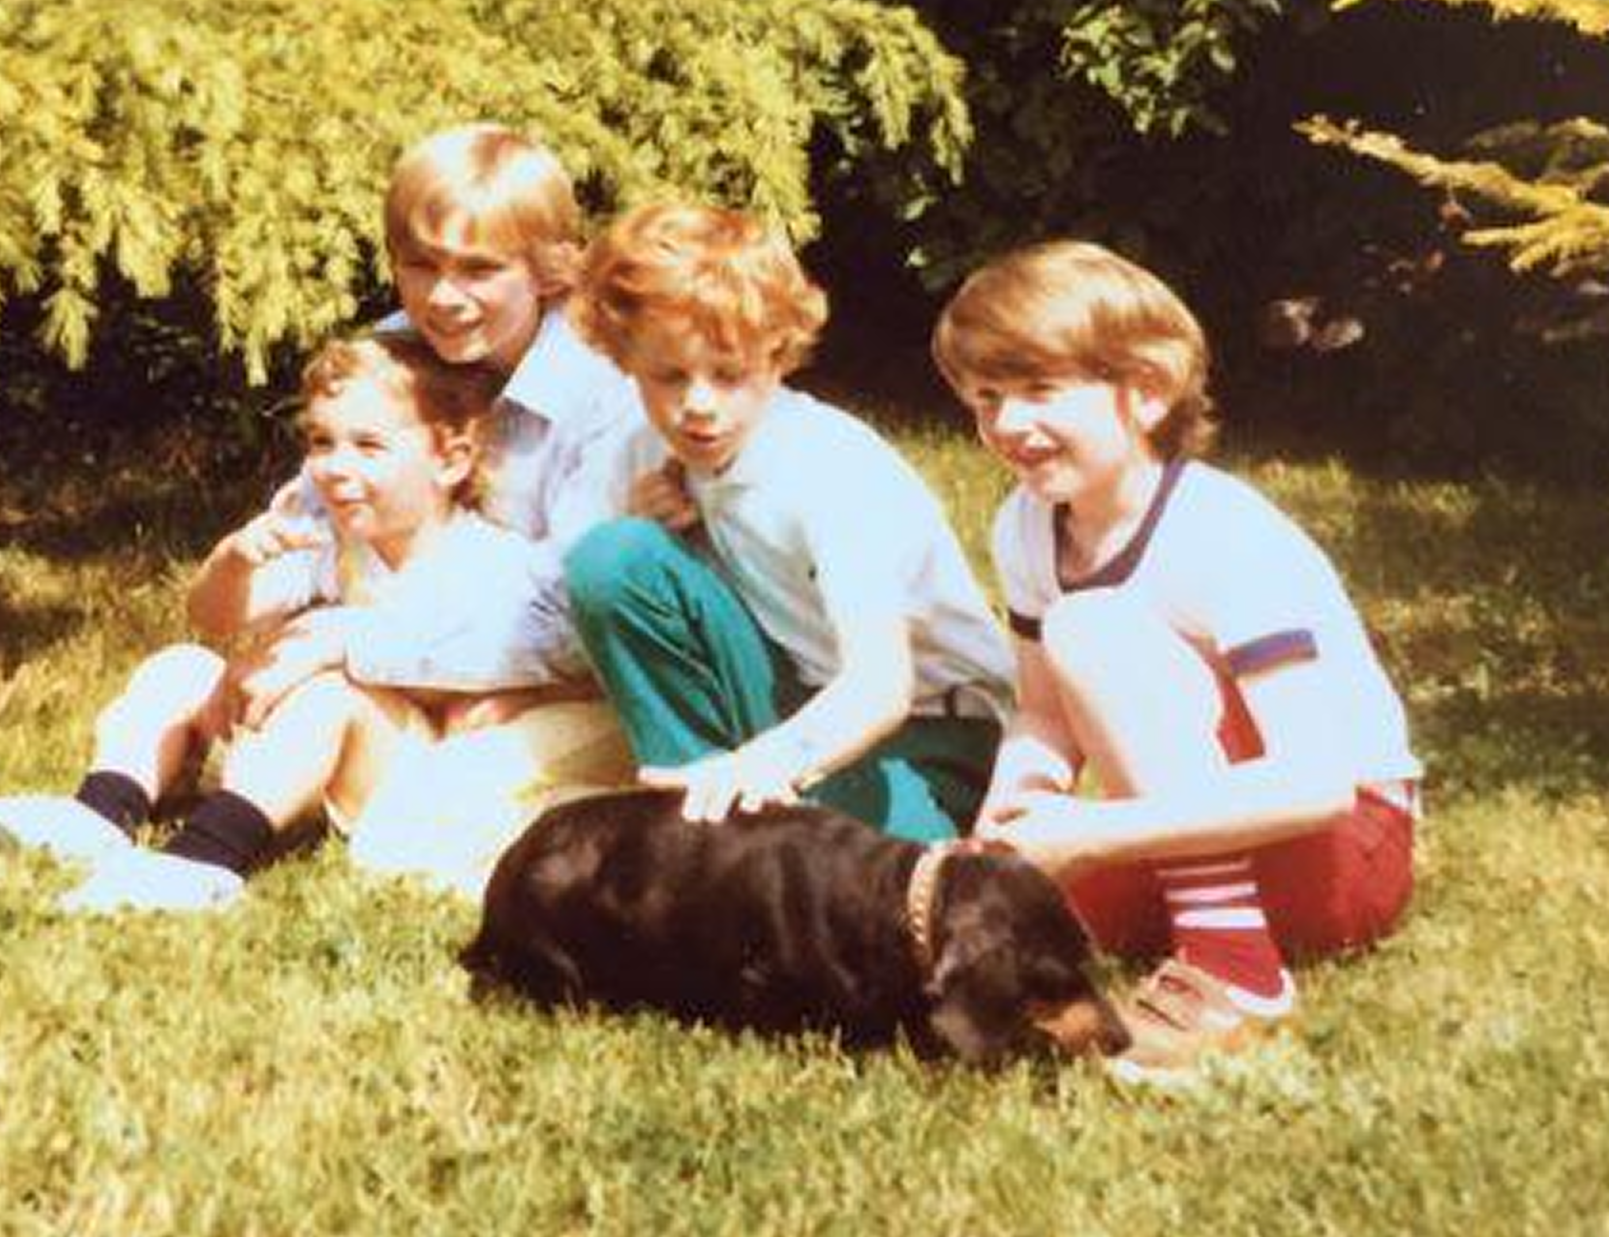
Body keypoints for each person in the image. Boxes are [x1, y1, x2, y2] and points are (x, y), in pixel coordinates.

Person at [932, 239, 1422, 1082]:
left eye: (1040, 390)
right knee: (994, 924)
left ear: (1147, 392)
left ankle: (1236, 973)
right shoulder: (1023, 523)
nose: (1008, 424)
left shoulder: (1222, 534)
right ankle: (1200, 917)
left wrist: (1096, 831)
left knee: (1090, 627)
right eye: (986, 398)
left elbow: (1316, 782)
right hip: (1194, 834)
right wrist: (1016, 816)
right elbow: (1045, 716)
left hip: (1342, 848)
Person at [0, 334, 611, 910]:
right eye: (321, 442)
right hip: (296, 741)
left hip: (401, 768)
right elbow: (211, 618)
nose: (335, 468)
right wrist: (233, 563)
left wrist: (332, 655)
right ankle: (100, 811)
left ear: (451, 459)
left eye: (369, 446)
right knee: (178, 668)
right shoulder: (336, 545)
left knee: (332, 691)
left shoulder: (487, 560)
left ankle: (205, 858)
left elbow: (528, 670)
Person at [562, 202, 1016, 842]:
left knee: (849, 873)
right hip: (790, 699)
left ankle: (741, 827)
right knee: (614, 557)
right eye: (668, 376)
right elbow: (591, 603)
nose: (697, 404)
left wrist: (768, 761)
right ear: (624, 358)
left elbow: (882, 684)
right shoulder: (643, 450)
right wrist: (651, 531)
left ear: (777, 356)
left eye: (728, 375)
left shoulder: (829, 467)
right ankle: (697, 815)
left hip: (926, 736)